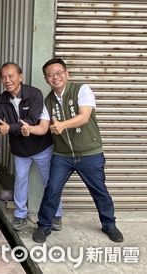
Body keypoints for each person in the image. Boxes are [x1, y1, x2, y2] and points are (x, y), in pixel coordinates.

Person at [32, 58, 124, 243]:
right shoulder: (48, 101)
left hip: (90, 153)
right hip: (62, 155)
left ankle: (109, 224)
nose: (55, 77)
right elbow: (43, 127)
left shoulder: (82, 90)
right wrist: (27, 129)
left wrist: (62, 125)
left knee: (99, 191)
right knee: (52, 189)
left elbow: (84, 116)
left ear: (67, 74)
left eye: (58, 73)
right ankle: (44, 225)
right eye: (50, 75)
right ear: (46, 78)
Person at [0, 62, 63, 231]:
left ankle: (56, 214)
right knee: (20, 181)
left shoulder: (34, 94)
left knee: (50, 182)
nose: (7, 80)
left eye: (11, 76)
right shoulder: (2, 99)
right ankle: (20, 214)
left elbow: (33, 120)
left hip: (41, 147)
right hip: (19, 149)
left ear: (20, 76)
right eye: (3, 77)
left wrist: (10, 128)